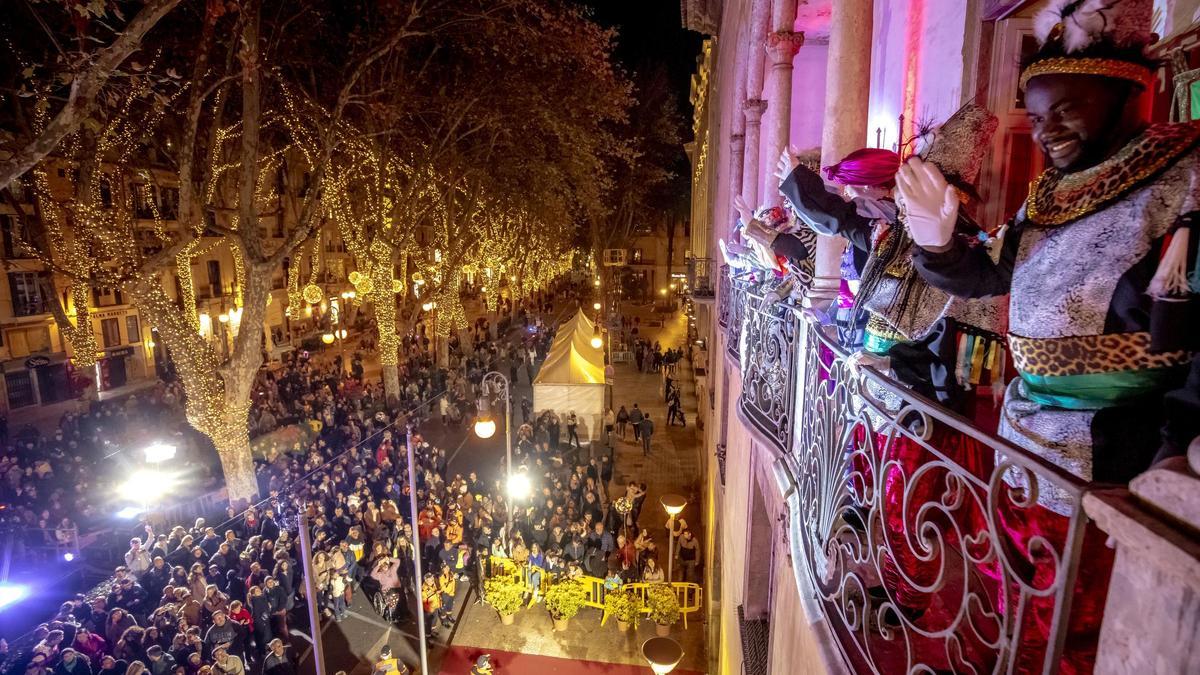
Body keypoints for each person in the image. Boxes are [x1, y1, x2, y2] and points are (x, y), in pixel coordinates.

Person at [905, 1, 1200, 670]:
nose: (1046, 132)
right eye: (1037, 118)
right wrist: (936, 240)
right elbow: (987, 275)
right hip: (1022, 435)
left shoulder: (1186, 179)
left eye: (1065, 109)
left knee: (1079, 624)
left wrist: (1177, 444)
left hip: (1121, 451)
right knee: (1019, 598)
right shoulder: (1049, 194)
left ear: (1126, 91)